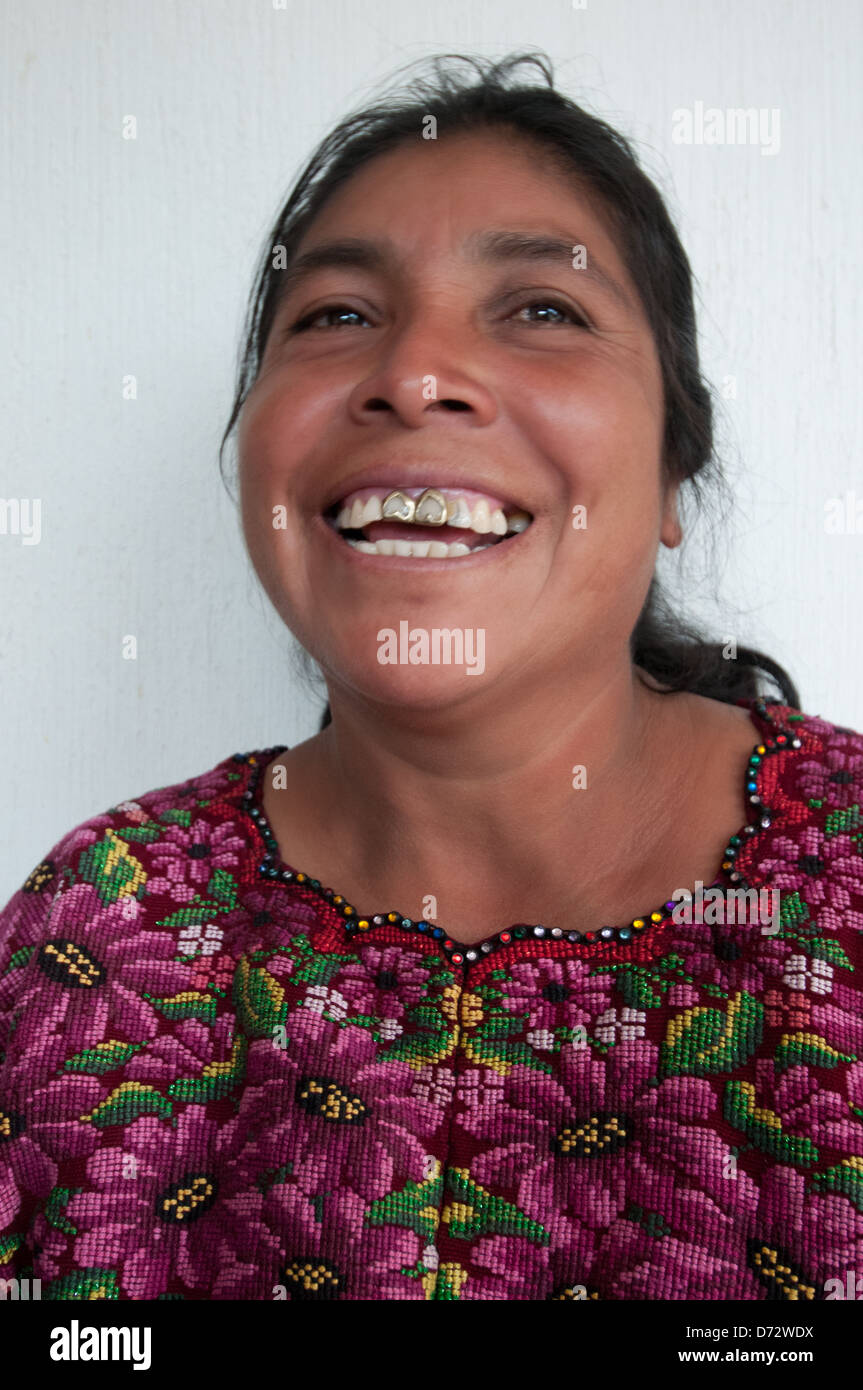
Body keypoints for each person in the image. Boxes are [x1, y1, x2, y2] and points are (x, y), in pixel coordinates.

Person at [2, 52, 861, 1302]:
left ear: (675, 475)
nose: (411, 375)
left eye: (541, 309)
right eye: (337, 315)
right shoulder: (98, 930)